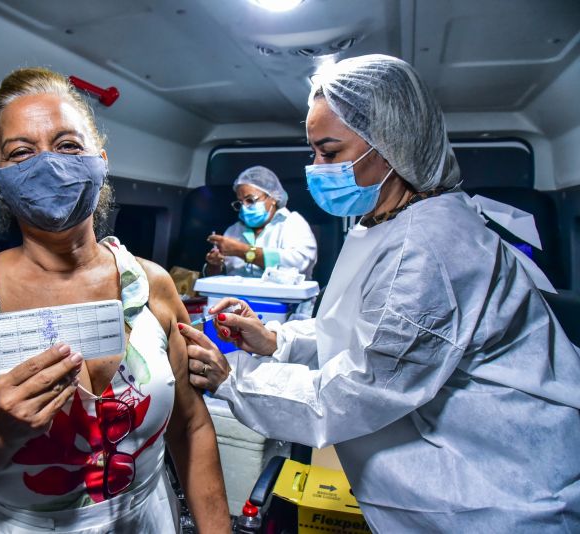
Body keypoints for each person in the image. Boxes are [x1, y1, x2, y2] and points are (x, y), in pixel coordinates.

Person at [179, 54, 580, 532]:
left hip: (500, 497)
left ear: (394, 145)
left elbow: (354, 392)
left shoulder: (428, 249)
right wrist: (275, 340)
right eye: (313, 152)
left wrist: (233, 380)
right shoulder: (387, 224)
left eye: (330, 152)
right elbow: (357, 329)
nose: (316, 168)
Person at [0, 67, 230, 533]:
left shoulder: (152, 285)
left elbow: (192, 427)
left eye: (67, 146)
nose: (48, 164)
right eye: (21, 152)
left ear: (100, 160)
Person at [204, 166, 317, 279]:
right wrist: (214, 266)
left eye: (250, 200)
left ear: (272, 197)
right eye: (240, 203)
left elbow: (300, 263)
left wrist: (243, 252)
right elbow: (218, 277)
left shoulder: (292, 223)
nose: (244, 207)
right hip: (236, 294)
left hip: (281, 295)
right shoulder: (234, 230)